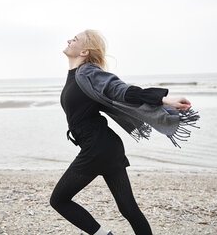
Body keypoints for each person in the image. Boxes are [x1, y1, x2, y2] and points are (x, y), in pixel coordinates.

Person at [50, 30, 193, 235]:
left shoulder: (88, 72)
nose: (68, 39)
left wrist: (163, 99)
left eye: (75, 39)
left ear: (84, 51)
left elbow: (121, 90)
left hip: (97, 148)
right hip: (106, 147)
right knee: (128, 208)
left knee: (59, 200)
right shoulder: (77, 75)